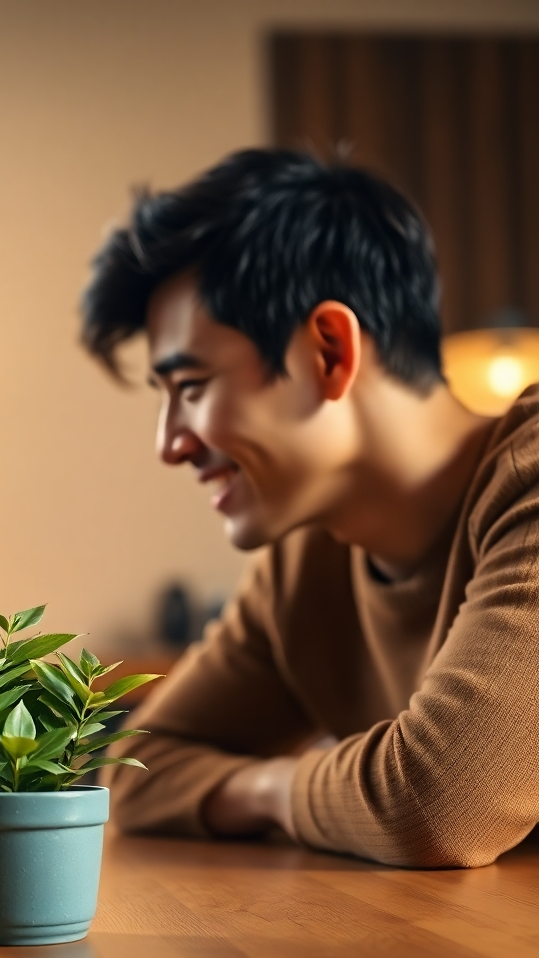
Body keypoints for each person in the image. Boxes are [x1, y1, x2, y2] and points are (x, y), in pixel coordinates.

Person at [83, 149, 539, 868]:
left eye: (192, 385)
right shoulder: (304, 563)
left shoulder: (529, 477)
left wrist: (271, 786)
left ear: (328, 351)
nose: (170, 445)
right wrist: (277, 787)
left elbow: (439, 803)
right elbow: (135, 775)